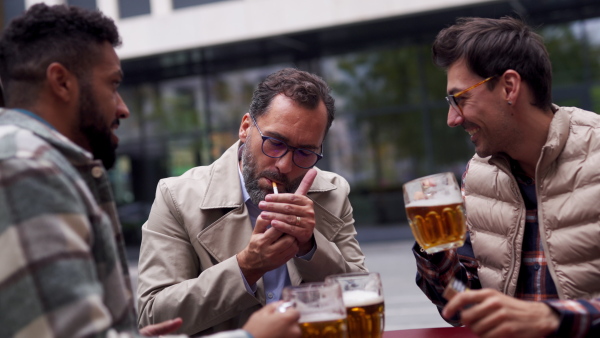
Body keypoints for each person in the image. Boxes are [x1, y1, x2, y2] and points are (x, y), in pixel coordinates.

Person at [0, 4, 300, 338]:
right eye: (112, 85)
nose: (123, 108)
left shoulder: (28, 161)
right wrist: (249, 337)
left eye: (306, 152)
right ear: (61, 82)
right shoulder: (27, 169)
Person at [137, 68, 367, 335]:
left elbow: (360, 295)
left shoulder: (333, 193)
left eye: (305, 152)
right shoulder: (177, 196)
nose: (284, 165)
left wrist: (311, 247)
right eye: (275, 143)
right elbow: (153, 317)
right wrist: (245, 267)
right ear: (245, 128)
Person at [413, 16, 600, 338]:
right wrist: (436, 250)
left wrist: (553, 318)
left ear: (509, 87)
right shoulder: (478, 175)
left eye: (460, 98)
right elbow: (461, 305)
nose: (452, 119)